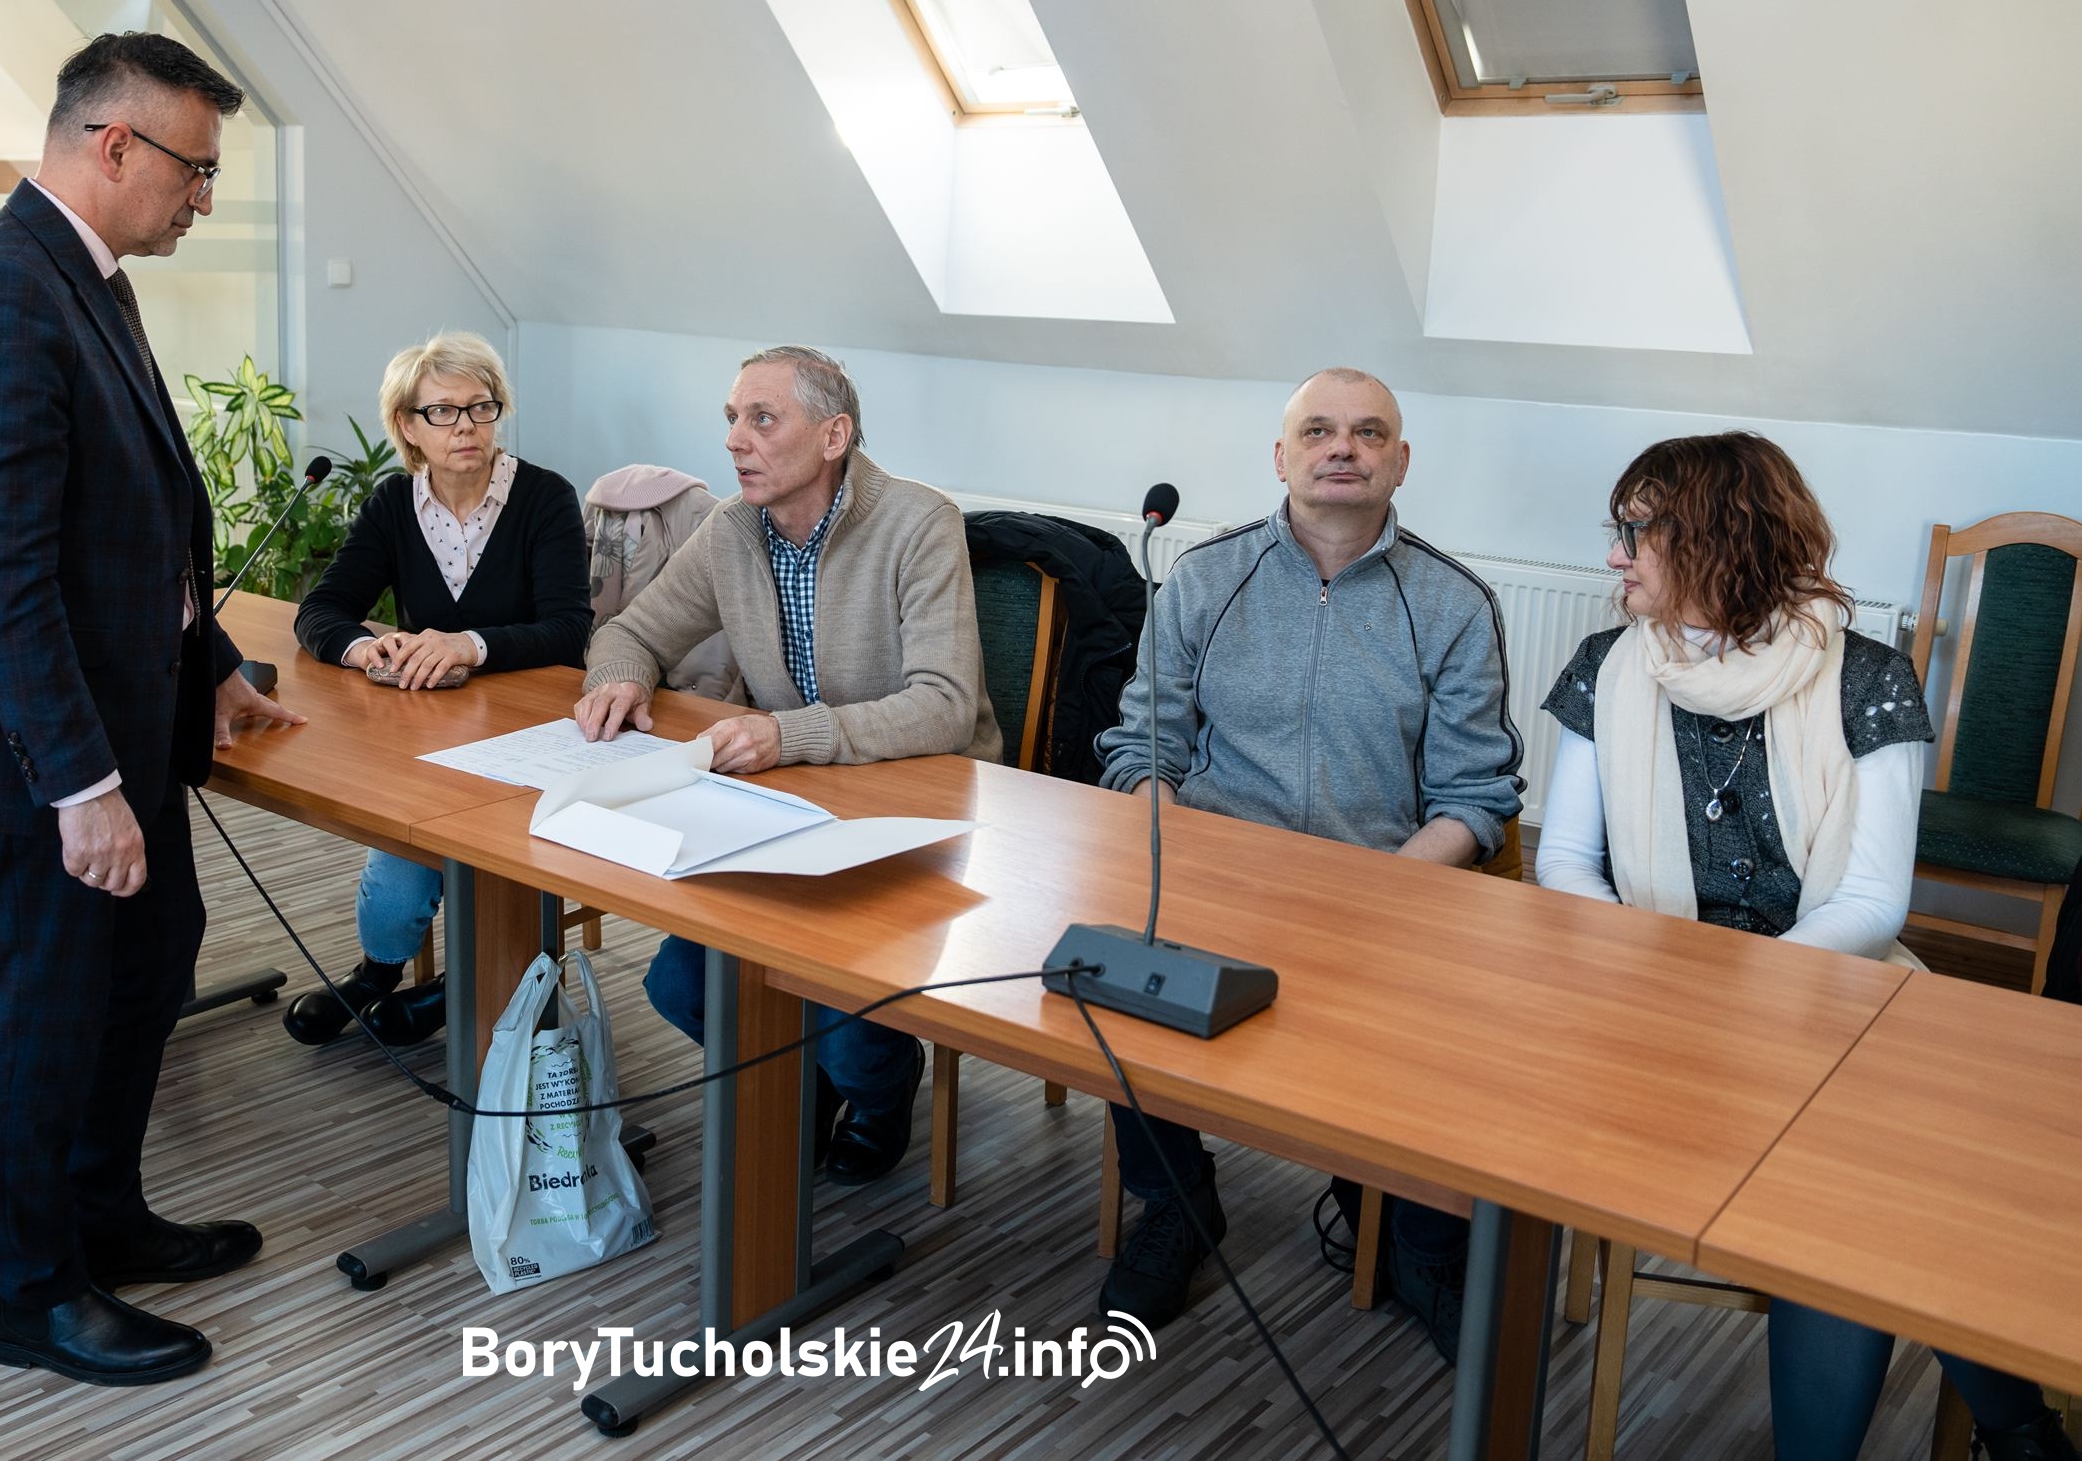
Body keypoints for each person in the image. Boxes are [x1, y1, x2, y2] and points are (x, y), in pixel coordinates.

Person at [1534, 432, 2078, 1461]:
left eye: (1634, 529)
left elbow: (1872, 902)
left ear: (1714, 536)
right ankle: (2020, 1431)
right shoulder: (1605, 666)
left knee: (1887, 1183)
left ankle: (2011, 1426)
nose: (1614, 555)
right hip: (1643, 1008)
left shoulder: (1864, 675)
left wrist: (1738, 997)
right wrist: (1665, 987)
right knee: (1869, 1194)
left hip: (1834, 996)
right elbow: (1562, 858)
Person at [0, 32, 304, 1385]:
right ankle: (33, 1288)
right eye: (193, 168)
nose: (202, 197)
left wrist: (216, 673)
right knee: (43, 1006)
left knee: (150, 961)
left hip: (131, 724)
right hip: (42, 756)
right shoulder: (0, 294)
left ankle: (103, 1211)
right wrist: (79, 783)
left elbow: (139, 531)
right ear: (113, 145)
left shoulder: (89, 278)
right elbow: (0, 573)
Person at [1092, 367, 1523, 1349]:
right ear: (1280, 458)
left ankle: (1415, 1238)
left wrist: (1377, 894)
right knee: (1112, 968)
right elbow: (1142, 743)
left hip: (1387, 895)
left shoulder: (1455, 602)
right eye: (1319, 431)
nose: (1344, 447)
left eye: (1369, 433)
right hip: (1213, 872)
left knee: (1449, 1028)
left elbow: (1477, 793)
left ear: (1399, 461)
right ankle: (1175, 1204)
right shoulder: (1205, 574)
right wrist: (1178, 845)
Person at [573, 345, 1002, 1183]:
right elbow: (630, 630)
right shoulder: (731, 528)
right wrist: (619, 676)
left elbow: (947, 704)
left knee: (845, 1013)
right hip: (789, 803)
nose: (736, 440)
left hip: (912, 805)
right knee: (680, 988)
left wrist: (789, 735)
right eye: (731, 419)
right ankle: (803, 1076)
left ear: (834, 433)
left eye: (762, 419)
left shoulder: (920, 522)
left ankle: (878, 1086)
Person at [284, 331, 592, 1047]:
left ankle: (478, 981)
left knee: (491, 861)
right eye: (444, 412)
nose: (466, 427)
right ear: (407, 426)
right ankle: (377, 974)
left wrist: (471, 644)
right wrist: (370, 649)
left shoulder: (544, 498)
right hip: (428, 742)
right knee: (394, 881)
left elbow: (569, 630)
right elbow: (320, 611)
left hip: (533, 742)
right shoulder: (394, 504)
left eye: (481, 408)